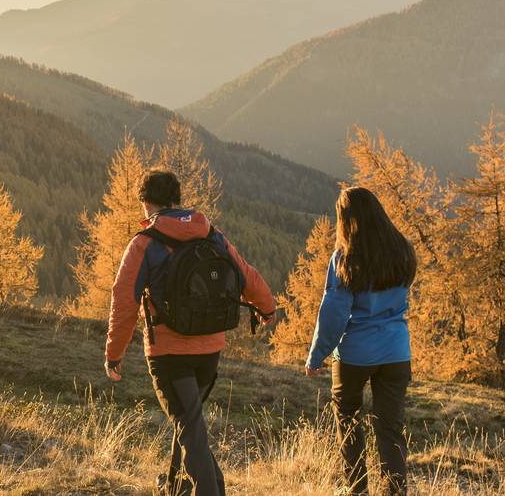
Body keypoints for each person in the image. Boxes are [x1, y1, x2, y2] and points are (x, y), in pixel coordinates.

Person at [104, 170, 277, 496]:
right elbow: (247, 275)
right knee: (189, 422)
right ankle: (176, 486)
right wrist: (268, 309)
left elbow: (124, 299)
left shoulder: (145, 243)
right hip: (210, 351)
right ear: (176, 199)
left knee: (190, 427)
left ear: (146, 202)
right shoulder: (212, 236)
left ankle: (210, 491)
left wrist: (114, 354)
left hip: (170, 354)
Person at [304, 186, 417, 496]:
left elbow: (333, 314)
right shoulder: (403, 251)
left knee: (348, 420)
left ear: (346, 219)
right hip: (396, 352)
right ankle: (394, 491)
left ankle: (356, 489)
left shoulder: (345, 257)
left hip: (354, 355)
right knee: (390, 428)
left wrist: (316, 357)